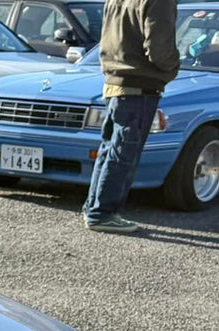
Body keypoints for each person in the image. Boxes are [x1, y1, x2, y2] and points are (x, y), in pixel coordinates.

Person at [82, 0, 181, 233]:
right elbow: (159, 47)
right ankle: (103, 213)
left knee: (110, 150)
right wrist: (173, 68)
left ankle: (94, 208)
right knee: (123, 153)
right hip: (139, 84)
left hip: (115, 80)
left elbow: (107, 36)